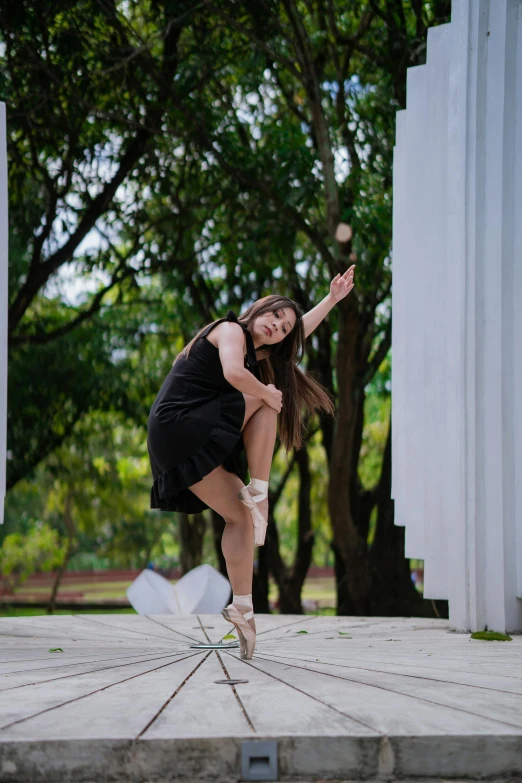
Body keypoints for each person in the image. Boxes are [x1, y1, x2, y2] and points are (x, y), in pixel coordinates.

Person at [147, 268, 355, 659]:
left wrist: (331, 300)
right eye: (275, 316)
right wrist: (268, 394)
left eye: (284, 326)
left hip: (179, 443)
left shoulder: (263, 356)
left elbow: (298, 334)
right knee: (267, 396)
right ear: (258, 309)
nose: (278, 326)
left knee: (239, 518)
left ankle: (243, 607)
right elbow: (232, 373)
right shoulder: (231, 331)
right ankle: (259, 491)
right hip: (178, 424)